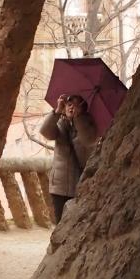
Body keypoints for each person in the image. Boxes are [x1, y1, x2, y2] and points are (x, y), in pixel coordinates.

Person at [39, 93, 97, 222]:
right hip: (59, 186)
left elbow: (87, 142)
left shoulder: (88, 126)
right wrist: (57, 111)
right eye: (69, 104)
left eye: (76, 105)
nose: (72, 108)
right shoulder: (60, 123)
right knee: (60, 223)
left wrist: (77, 119)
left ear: (83, 108)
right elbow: (45, 132)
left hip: (81, 184)